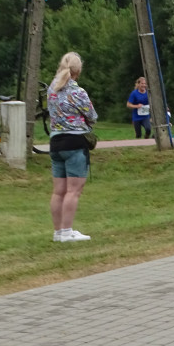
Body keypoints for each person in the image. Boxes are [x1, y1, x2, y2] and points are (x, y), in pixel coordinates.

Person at [48, 52, 98, 242]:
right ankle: (67, 231)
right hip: (74, 142)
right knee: (73, 191)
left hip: (55, 142)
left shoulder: (52, 88)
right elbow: (92, 116)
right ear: (78, 70)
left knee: (58, 191)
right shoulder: (78, 92)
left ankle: (58, 232)